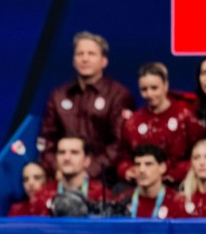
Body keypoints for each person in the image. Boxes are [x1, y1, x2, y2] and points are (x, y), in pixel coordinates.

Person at [37, 31, 135, 186]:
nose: (85, 59)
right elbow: (47, 140)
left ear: (104, 61)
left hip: (105, 182)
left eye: (91, 54)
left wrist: (88, 173)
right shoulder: (58, 95)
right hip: (62, 178)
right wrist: (61, 169)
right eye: (79, 54)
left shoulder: (118, 95)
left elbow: (119, 145)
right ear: (73, 61)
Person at [117, 62, 203, 186]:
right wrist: (127, 170)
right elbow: (123, 158)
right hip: (141, 184)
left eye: (154, 88)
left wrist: (173, 173)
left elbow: (199, 155)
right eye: (144, 89)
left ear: (165, 86)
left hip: (178, 184)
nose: (149, 94)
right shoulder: (133, 121)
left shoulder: (185, 117)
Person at [29, 135, 107, 217]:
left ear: (87, 160)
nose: (67, 158)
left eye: (74, 152)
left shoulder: (101, 195)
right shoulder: (41, 196)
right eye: (62, 152)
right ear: (56, 158)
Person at [124, 144, 180, 219]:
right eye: (138, 164)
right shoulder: (123, 202)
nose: (142, 170)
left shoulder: (177, 203)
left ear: (162, 167)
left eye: (148, 164)